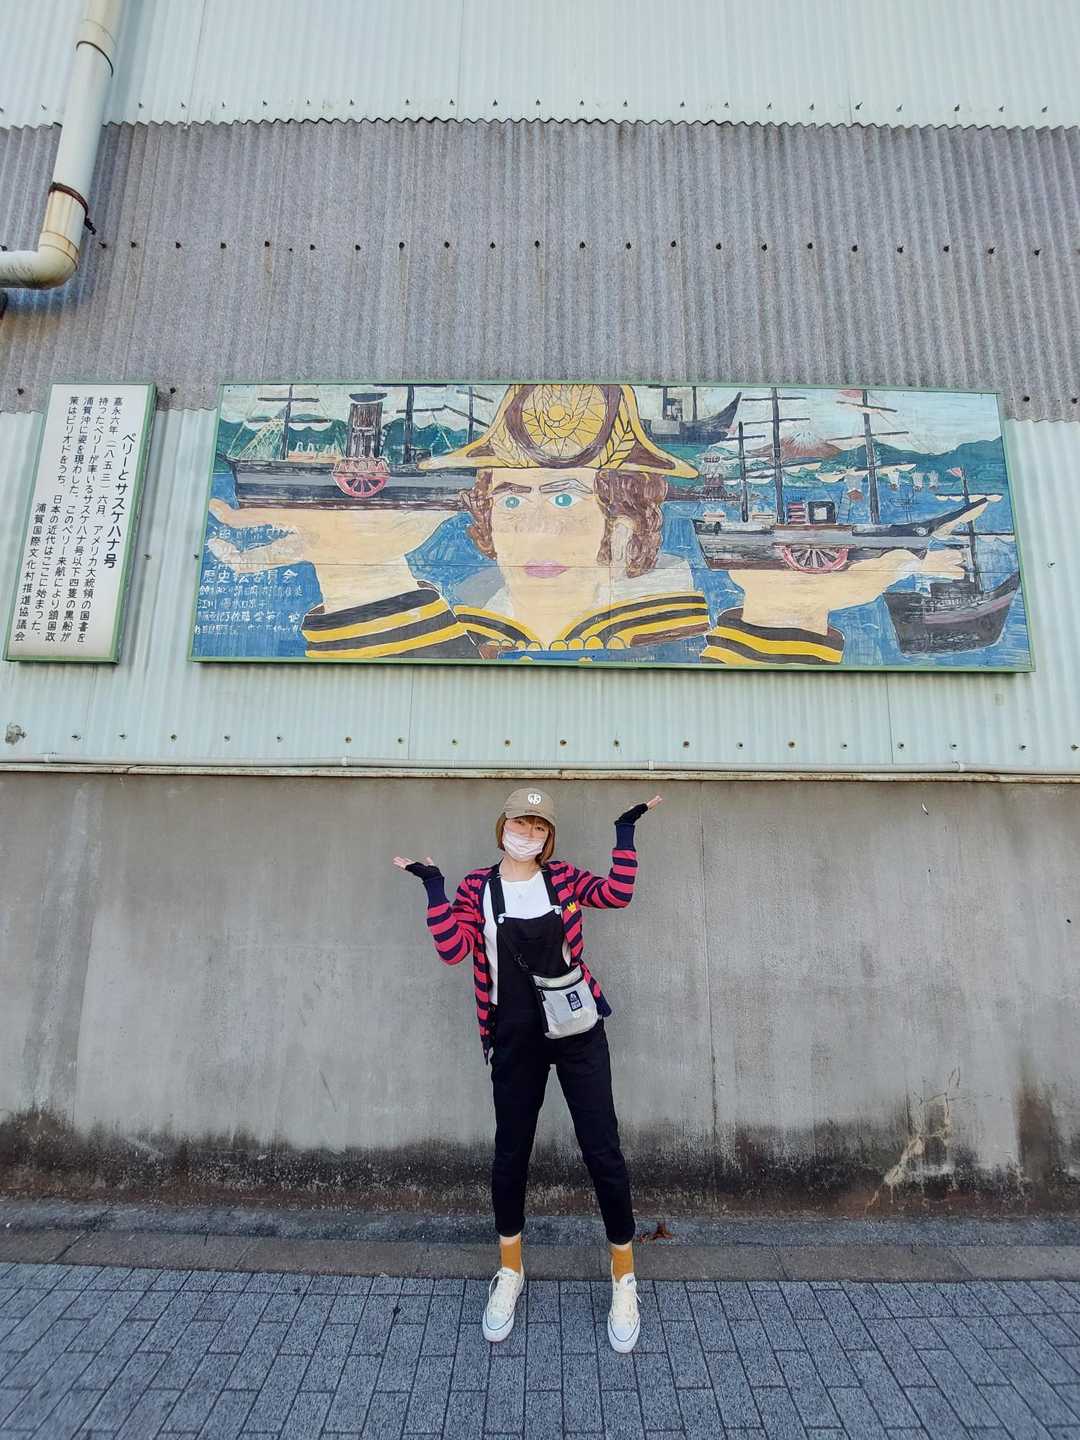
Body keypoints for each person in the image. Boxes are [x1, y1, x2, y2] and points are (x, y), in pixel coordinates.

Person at [393, 787, 661, 1351]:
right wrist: (434, 887)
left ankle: (623, 1277)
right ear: (503, 826)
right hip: (514, 1036)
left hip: (578, 1029)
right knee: (511, 1155)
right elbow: (452, 949)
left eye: (539, 827)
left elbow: (617, 893)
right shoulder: (476, 887)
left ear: (548, 837)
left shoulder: (562, 879)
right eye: (521, 823)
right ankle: (510, 1270)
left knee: (603, 1151)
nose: (529, 834)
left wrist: (625, 832)